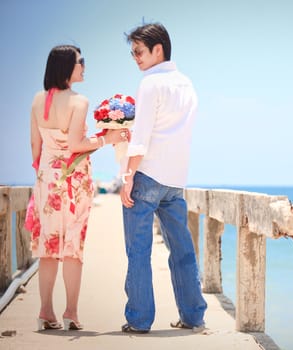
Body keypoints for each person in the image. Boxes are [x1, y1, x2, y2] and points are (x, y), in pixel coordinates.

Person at [29, 44, 129, 331]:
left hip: (47, 178)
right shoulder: (79, 101)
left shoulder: (38, 100)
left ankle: (45, 311)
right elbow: (75, 145)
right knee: (73, 247)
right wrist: (106, 140)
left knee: (48, 246)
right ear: (66, 67)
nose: (84, 66)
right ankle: (71, 312)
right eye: (80, 61)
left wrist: (47, 172)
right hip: (74, 182)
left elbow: (35, 147)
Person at [119, 22, 207, 334]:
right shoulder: (188, 84)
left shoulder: (150, 84)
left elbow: (141, 137)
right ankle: (194, 315)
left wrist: (127, 176)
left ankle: (140, 320)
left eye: (139, 52)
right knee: (182, 250)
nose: (136, 58)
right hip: (175, 179)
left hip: (147, 175)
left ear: (159, 49)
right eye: (132, 53)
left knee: (138, 252)